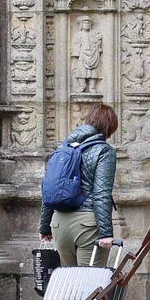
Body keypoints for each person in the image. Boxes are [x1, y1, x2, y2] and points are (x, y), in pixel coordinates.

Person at [39, 104, 119, 266]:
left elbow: (49, 188)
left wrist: (45, 227)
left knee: (70, 286)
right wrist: (105, 232)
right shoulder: (104, 151)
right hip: (87, 225)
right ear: (110, 127)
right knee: (90, 285)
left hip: (59, 224)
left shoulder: (63, 148)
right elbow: (101, 193)